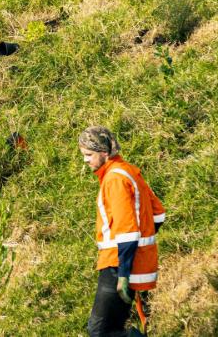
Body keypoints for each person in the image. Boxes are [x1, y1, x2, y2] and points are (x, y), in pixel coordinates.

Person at [79, 126, 165, 337]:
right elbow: (158, 215)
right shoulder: (129, 172)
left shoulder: (114, 180)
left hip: (116, 265)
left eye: (89, 155)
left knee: (99, 331)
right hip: (131, 262)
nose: (86, 160)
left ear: (104, 153)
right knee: (113, 329)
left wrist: (123, 275)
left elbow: (126, 230)